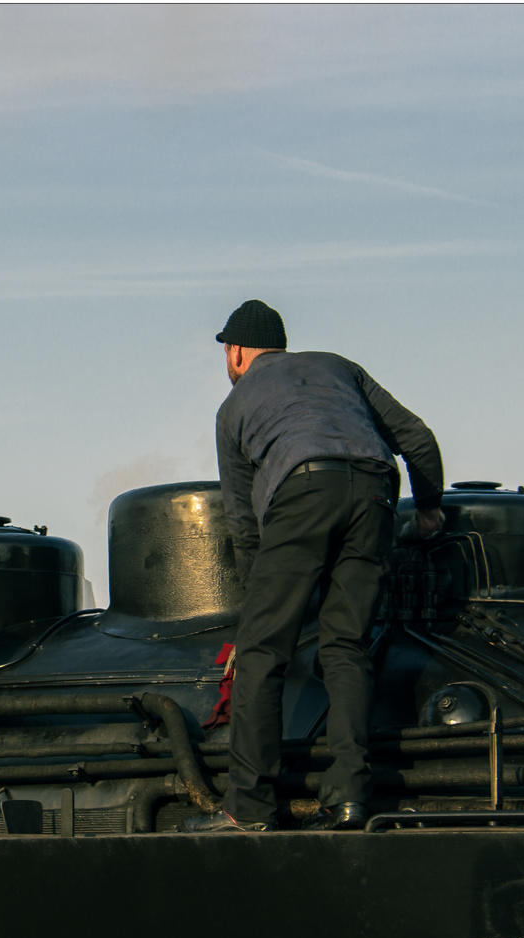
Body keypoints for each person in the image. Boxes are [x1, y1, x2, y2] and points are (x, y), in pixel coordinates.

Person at [183, 300, 443, 834]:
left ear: (235, 352)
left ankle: (249, 809)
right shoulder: (338, 367)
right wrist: (431, 506)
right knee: (345, 647)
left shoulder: (233, 409)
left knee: (260, 654)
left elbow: (242, 521)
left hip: (300, 491)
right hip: (376, 491)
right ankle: (349, 797)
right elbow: (415, 436)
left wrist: (264, 598)